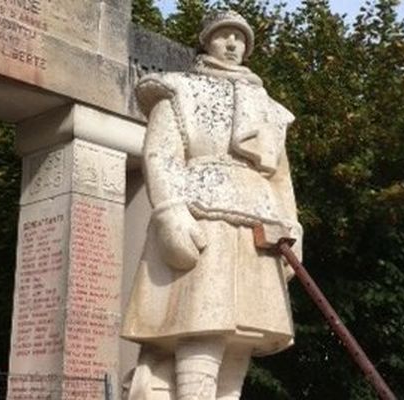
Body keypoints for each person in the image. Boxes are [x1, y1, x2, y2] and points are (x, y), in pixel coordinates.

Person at [121, 10, 302, 400]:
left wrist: (293, 228)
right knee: (202, 324)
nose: (233, 44)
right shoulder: (178, 89)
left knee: (244, 334)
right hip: (202, 213)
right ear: (207, 40)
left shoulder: (268, 108)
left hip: (260, 222)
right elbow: (161, 155)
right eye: (224, 36)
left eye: (240, 38)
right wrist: (170, 210)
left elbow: (280, 178)